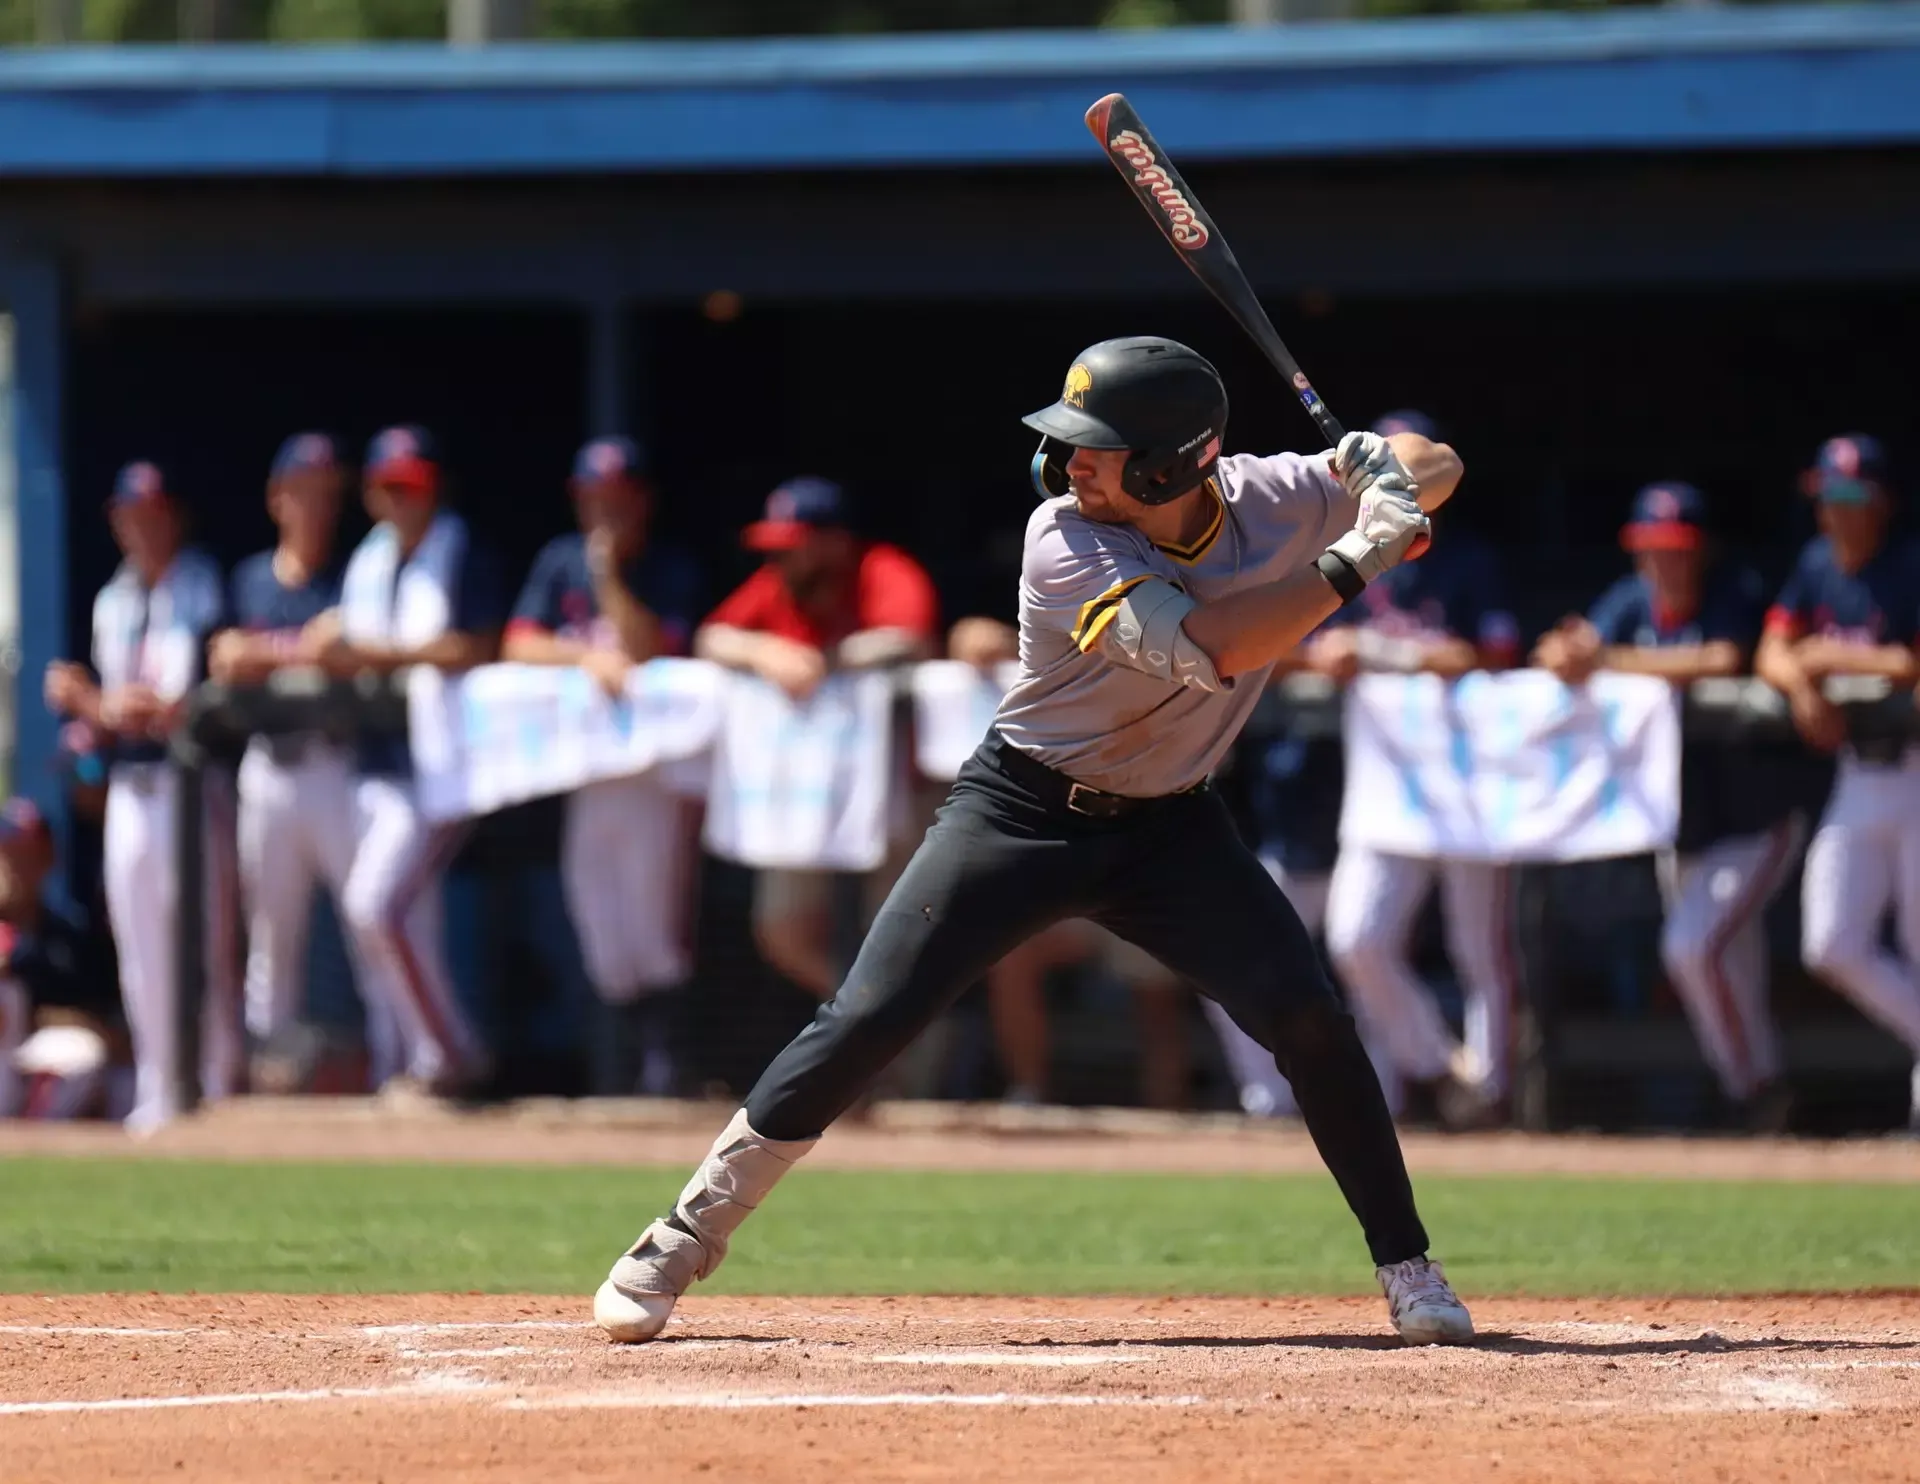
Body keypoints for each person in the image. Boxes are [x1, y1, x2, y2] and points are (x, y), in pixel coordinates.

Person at [595, 335, 1473, 1347]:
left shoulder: (1274, 494)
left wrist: (1379, 466)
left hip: (1173, 824)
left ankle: (1408, 1264)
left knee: (1308, 1016)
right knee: (869, 1016)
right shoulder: (1065, 539)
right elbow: (1217, 651)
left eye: (1096, 448)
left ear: (1173, 461)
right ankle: (682, 1233)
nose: (1070, 465)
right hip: (1022, 808)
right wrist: (1360, 551)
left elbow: (1439, 468)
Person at [1534, 482, 1797, 1127]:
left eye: (1676, 548)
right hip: (1684, 826)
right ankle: (1764, 1098)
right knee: (1730, 968)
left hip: (1755, 823)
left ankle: (1752, 1089)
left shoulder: (1732, 589)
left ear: (1700, 551)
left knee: (1690, 950)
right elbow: (1562, 647)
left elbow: (1725, 657)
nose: (1663, 561)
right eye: (1651, 548)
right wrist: (1568, 653)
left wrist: (1609, 660)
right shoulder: (1631, 601)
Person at [1321, 411, 1522, 1130]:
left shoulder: (1467, 559)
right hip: (1388, 783)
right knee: (1356, 939)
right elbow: (1279, 642)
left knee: (1479, 948)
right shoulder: (1339, 555)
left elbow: (1494, 654)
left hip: (1472, 781)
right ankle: (1441, 1070)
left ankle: (1494, 1091)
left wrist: (1387, 655)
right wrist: (1327, 653)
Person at [298, 426, 502, 1098]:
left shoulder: (460, 547)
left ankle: (449, 1056)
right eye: (388, 485)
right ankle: (411, 1064)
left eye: (411, 485)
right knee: (402, 922)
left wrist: (369, 653)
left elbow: (474, 646)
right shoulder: (369, 561)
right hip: (373, 760)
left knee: (374, 907)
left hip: (444, 767)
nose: (400, 498)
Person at [503, 435, 706, 1095]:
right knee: (598, 924)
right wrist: (584, 659)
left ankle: (667, 1069)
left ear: (642, 500)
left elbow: (651, 644)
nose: (605, 511)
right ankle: (621, 1072)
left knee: (654, 924)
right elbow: (518, 643)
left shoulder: (666, 566)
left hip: (655, 772)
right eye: (594, 498)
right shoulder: (559, 561)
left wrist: (608, 577)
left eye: (618, 498)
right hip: (588, 772)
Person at [42, 461, 239, 1133]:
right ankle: (159, 1084)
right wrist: (90, 703)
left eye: (154, 515)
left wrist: (121, 703)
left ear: (175, 518)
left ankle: (216, 1078)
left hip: (191, 782)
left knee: (205, 937)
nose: (142, 528)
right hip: (130, 783)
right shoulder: (113, 598)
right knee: (139, 940)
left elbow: (201, 695)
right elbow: (104, 710)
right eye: (131, 516)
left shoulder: (205, 582)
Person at [696, 476, 939, 1000]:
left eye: (794, 545)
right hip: (806, 788)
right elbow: (711, 637)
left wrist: (827, 660)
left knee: (896, 935)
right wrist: (764, 653)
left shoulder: (881, 568)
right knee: (782, 929)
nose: (781, 559)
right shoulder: (777, 582)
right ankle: (864, 1024)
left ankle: (912, 1053)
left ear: (834, 541)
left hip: (897, 788)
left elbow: (910, 639)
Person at [209, 434, 395, 1085]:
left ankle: (393, 1066)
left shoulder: (353, 578)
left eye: (326, 495)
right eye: (302, 493)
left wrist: (270, 654)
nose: (315, 507)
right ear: (276, 498)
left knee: (369, 925)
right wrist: (299, 650)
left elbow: (343, 648)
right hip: (270, 769)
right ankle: (269, 1074)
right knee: (272, 937)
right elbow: (226, 658)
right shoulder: (250, 578)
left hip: (335, 765)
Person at [1756, 435, 1920, 1129]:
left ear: (1881, 502)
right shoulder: (1816, 564)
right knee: (1830, 942)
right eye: (1828, 496)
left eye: (1851, 497)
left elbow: (1910, 665)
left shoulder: (1909, 564)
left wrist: (1823, 653)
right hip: (1859, 770)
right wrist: (1802, 686)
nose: (1836, 510)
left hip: (1914, 770)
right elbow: (1771, 651)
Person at [0, 798, 117, 1119]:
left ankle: (33, 1145)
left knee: (85, 1056)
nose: (15, 864)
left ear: (48, 858)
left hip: (35, 1061)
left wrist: (52, 1017)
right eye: (8, 852)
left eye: (28, 853)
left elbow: (104, 1023)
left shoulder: (69, 936)